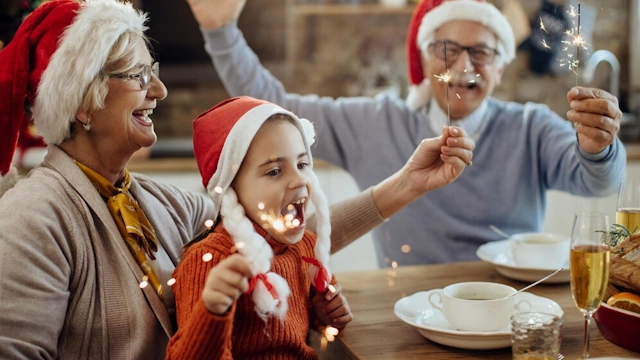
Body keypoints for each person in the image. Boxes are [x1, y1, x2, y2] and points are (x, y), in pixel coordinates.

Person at [0, 0, 473, 358]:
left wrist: (408, 183)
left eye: (155, 71)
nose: (160, 90)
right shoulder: (32, 219)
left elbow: (280, 233)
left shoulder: (164, 205)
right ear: (80, 101)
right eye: (138, 74)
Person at [186, 0, 627, 266]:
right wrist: (219, 31)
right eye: (446, 50)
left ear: (502, 64)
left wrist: (598, 149)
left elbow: (599, 181)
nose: (463, 67)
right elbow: (274, 105)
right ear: (424, 57)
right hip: (408, 306)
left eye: (481, 52)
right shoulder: (374, 122)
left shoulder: (530, 128)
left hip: (510, 304)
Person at [167, 96, 356, 359]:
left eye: (302, 164)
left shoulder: (305, 247)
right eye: (275, 171)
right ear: (232, 188)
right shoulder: (210, 262)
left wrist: (326, 316)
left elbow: (309, 327)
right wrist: (211, 312)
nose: (299, 179)